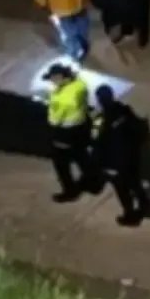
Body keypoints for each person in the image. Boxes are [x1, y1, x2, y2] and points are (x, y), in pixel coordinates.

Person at [91, 85, 150, 227]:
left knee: (122, 191)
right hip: (131, 157)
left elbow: (96, 142)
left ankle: (130, 216)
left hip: (114, 163)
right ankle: (145, 204)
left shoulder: (100, 120)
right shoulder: (124, 110)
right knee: (135, 183)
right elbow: (138, 128)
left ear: (100, 100)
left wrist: (98, 163)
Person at [44, 63, 99, 202]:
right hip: (81, 128)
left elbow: (54, 119)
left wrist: (53, 102)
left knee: (61, 165)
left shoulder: (61, 98)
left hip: (65, 133)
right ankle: (93, 184)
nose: (52, 82)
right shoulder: (79, 86)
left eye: (53, 79)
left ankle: (70, 191)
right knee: (82, 157)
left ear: (60, 78)